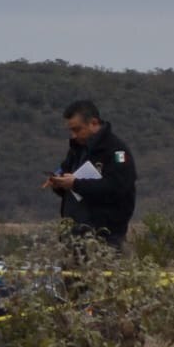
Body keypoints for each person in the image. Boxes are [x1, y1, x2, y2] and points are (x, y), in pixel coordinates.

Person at [42, 99, 136, 250]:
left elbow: (117, 188)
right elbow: (67, 176)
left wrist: (76, 184)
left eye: (78, 130)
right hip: (72, 236)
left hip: (104, 238)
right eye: (71, 130)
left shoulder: (116, 151)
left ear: (93, 123)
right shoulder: (76, 150)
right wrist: (58, 183)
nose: (73, 135)